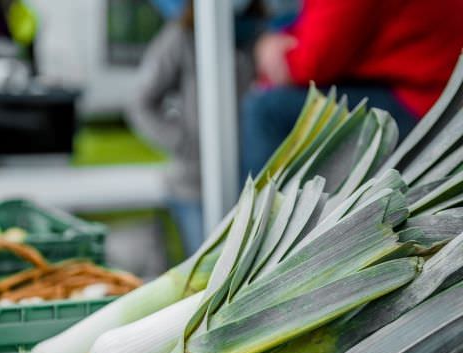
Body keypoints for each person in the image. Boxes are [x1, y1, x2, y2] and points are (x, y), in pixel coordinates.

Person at [241, 0, 463, 182]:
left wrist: (271, 52)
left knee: (265, 109)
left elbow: (311, 65)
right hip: (423, 86)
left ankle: (255, 230)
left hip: (431, 107)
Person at [126, 0, 256, 255]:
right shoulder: (181, 37)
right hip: (195, 183)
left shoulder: (260, 35)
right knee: (208, 272)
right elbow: (140, 103)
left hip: (256, 181)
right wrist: (183, 141)